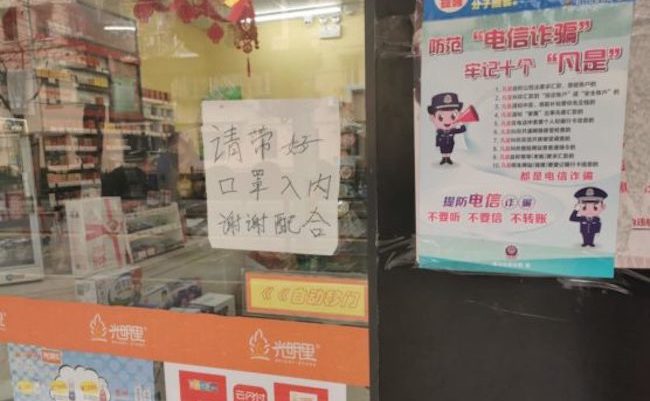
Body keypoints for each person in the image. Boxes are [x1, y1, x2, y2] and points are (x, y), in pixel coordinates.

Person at [428, 92, 467, 165]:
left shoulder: (453, 130)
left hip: (450, 143)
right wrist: (437, 143)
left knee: (449, 149)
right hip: (442, 143)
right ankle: (443, 158)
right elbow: (438, 136)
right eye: (440, 117)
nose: (447, 121)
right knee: (443, 150)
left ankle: (448, 158)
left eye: (453, 116)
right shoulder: (440, 131)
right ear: (432, 118)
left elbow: (462, 130)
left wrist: (461, 123)